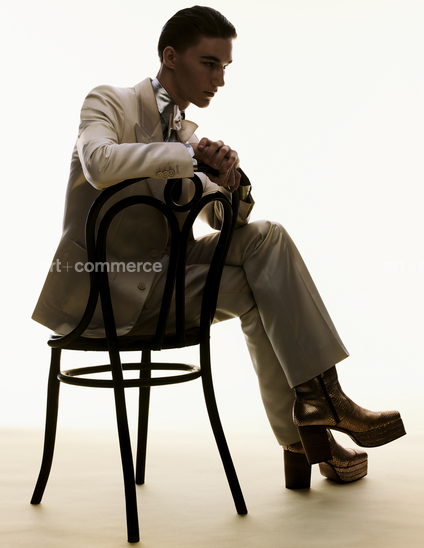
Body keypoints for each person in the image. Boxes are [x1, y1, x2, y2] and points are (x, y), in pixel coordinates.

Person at [32, 6, 405, 489]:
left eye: (225, 67)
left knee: (267, 239)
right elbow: (99, 163)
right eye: (210, 64)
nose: (220, 80)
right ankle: (309, 426)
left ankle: (317, 405)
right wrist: (189, 157)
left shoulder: (185, 136)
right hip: (100, 297)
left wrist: (228, 181)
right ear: (170, 57)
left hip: (162, 286)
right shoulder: (110, 101)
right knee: (261, 288)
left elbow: (225, 222)